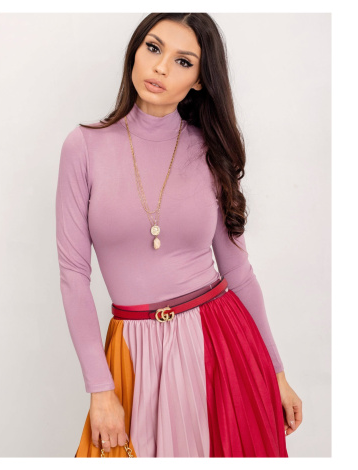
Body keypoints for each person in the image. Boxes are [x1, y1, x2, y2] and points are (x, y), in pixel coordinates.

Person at [55, 13, 302, 458]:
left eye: (183, 61)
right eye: (153, 48)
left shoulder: (210, 150)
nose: (161, 67)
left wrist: (276, 371)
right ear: (135, 51)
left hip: (221, 341)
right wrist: (99, 389)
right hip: (133, 347)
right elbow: (74, 275)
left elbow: (238, 271)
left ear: (200, 81)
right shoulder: (84, 146)